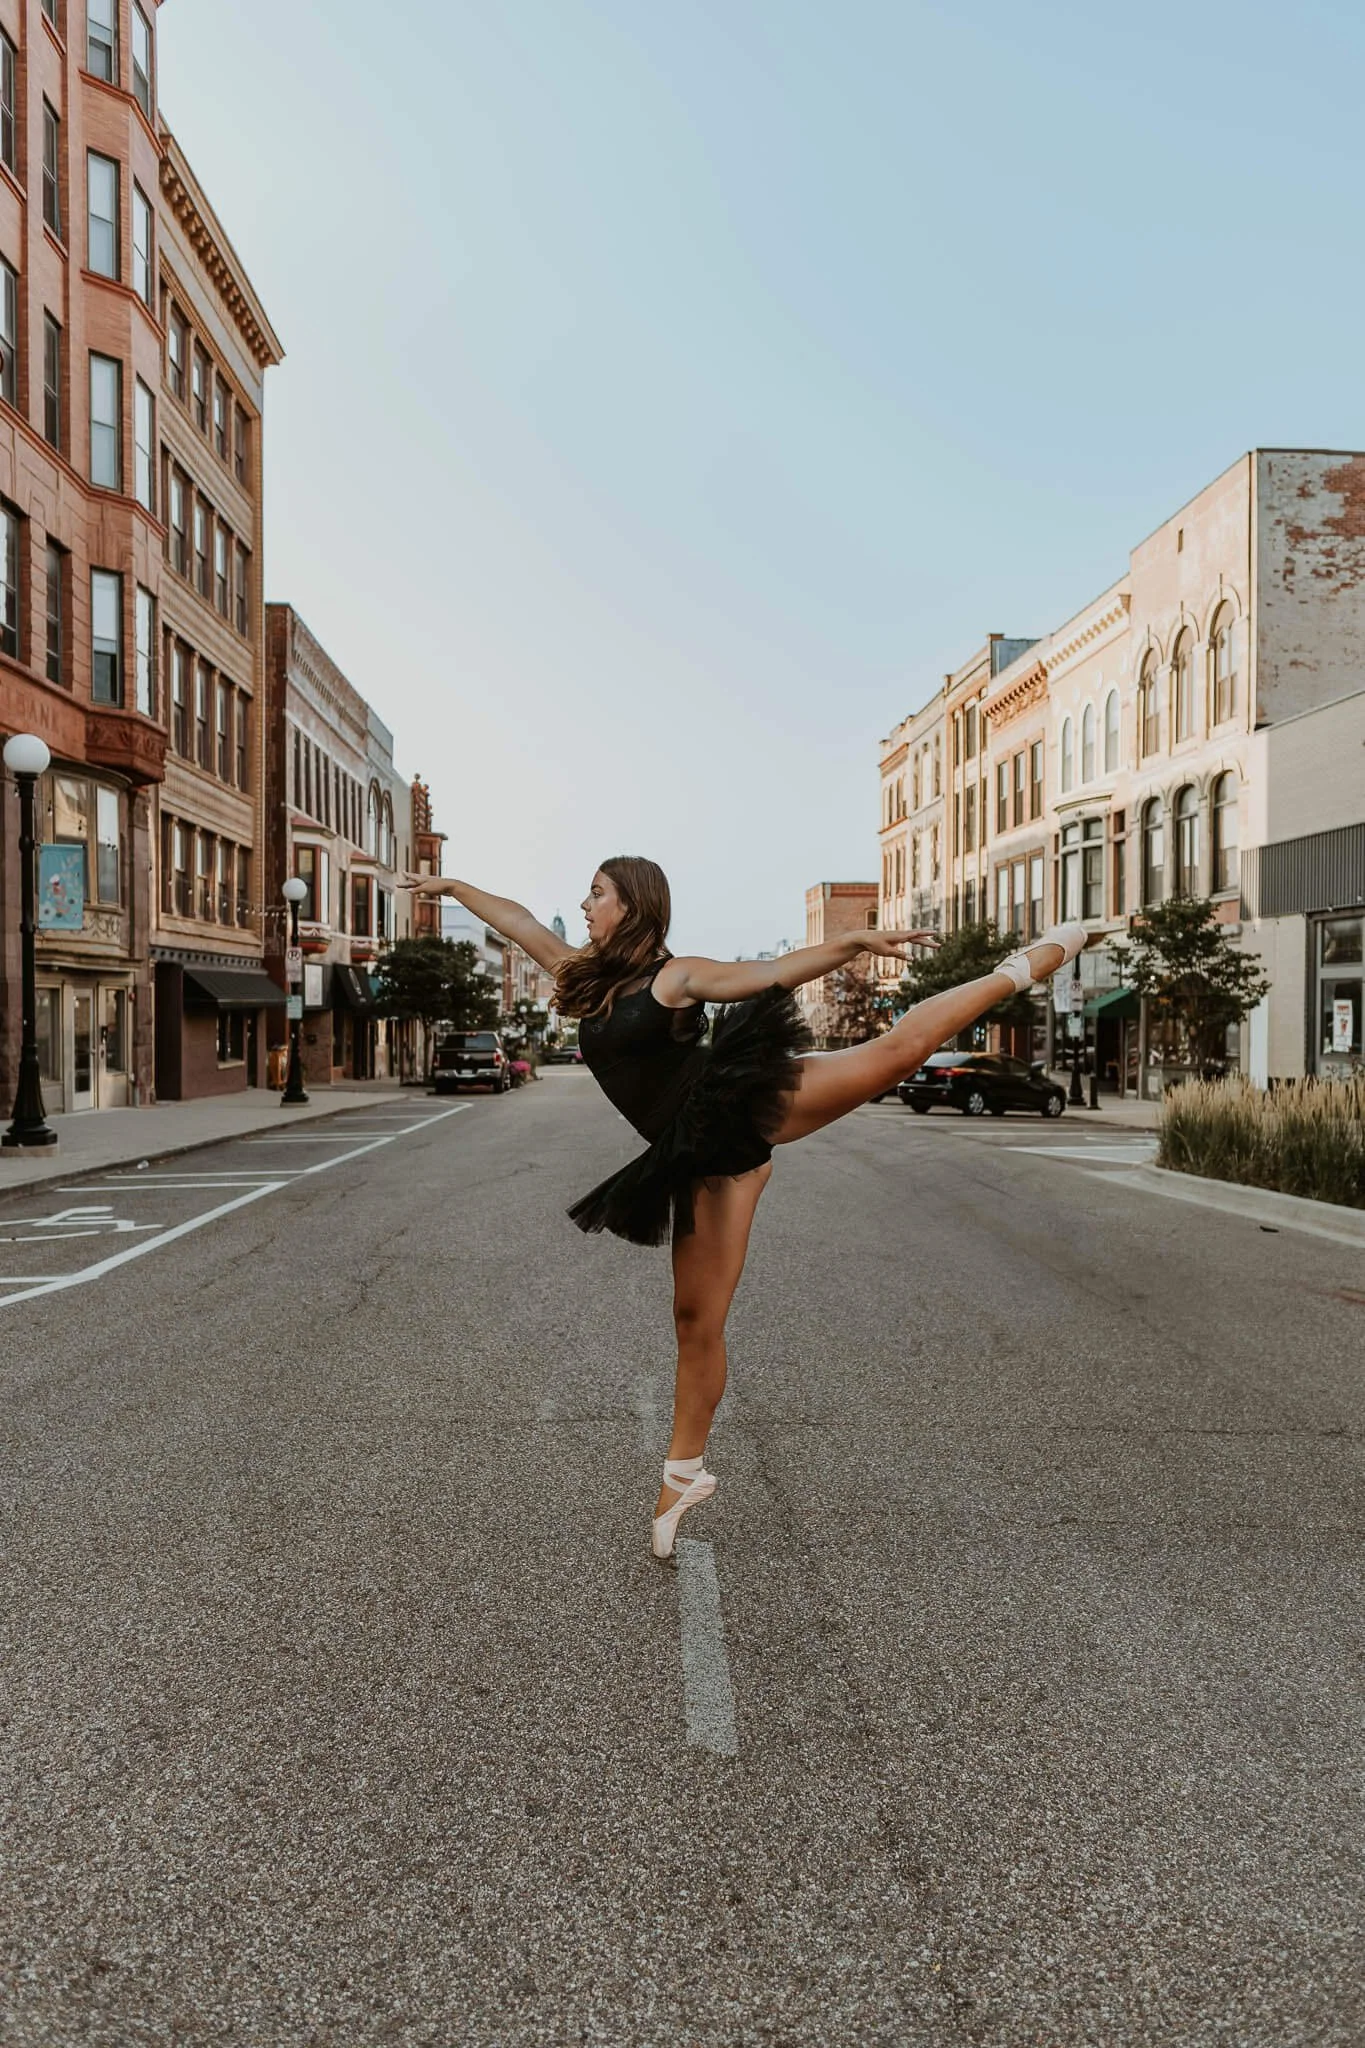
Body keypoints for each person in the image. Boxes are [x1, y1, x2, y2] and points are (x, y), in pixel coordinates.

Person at [402, 859, 1084, 1561]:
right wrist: (452, 889)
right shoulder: (581, 973)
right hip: (693, 1156)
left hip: (737, 1103)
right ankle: (683, 1477)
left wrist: (850, 946)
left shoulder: (675, 976)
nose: (584, 903)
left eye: (597, 893)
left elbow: (770, 975)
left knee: (898, 1050)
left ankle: (1022, 967)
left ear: (632, 906)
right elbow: (515, 921)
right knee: (695, 1322)